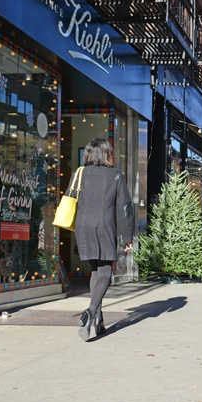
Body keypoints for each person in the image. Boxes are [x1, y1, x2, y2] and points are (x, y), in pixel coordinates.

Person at [68, 138, 134, 341]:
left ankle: (99, 320)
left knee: (95, 271)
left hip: (83, 226)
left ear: (88, 154)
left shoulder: (79, 173)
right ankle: (89, 312)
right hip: (105, 226)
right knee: (105, 271)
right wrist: (127, 237)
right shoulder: (115, 175)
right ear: (107, 154)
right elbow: (125, 208)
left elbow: (71, 198)